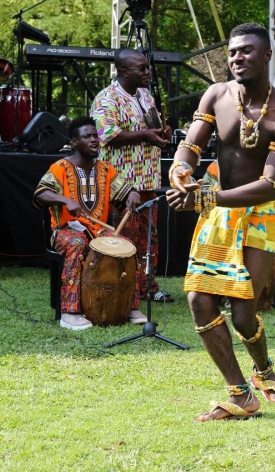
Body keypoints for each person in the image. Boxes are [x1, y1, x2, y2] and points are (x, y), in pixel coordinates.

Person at [166, 23, 275, 421]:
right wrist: (180, 170)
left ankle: (265, 372)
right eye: (232, 52)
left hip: (261, 214)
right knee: (199, 300)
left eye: (246, 51)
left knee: (244, 313)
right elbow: (190, 146)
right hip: (219, 211)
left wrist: (205, 197)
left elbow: (269, 186)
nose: (236, 58)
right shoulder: (217, 94)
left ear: (267, 56)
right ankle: (241, 394)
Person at [34, 116, 146, 330]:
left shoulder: (105, 169)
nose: (94, 140)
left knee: (128, 247)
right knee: (77, 244)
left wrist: (132, 193)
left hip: (99, 231)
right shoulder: (60, 167)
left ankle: (131, 307)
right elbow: (41, 193)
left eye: (95, 135)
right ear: (74, 142)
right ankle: (70, 312)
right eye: (87, 136)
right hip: (65, 231)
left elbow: (124, 191)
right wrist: (65, 200)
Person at [90, 48, 174, 303]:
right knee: (124, 236)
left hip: (147, 178)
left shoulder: (145, 95)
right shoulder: (106, 98)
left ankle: (148, 286)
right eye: (142, 68)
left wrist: (162, 132)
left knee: (148, 237)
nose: (148, 72)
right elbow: (107, 136)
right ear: (124, 71)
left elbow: (152, 126)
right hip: (121, 183)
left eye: (147, 67)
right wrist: (146, 135)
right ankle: (124, 287)